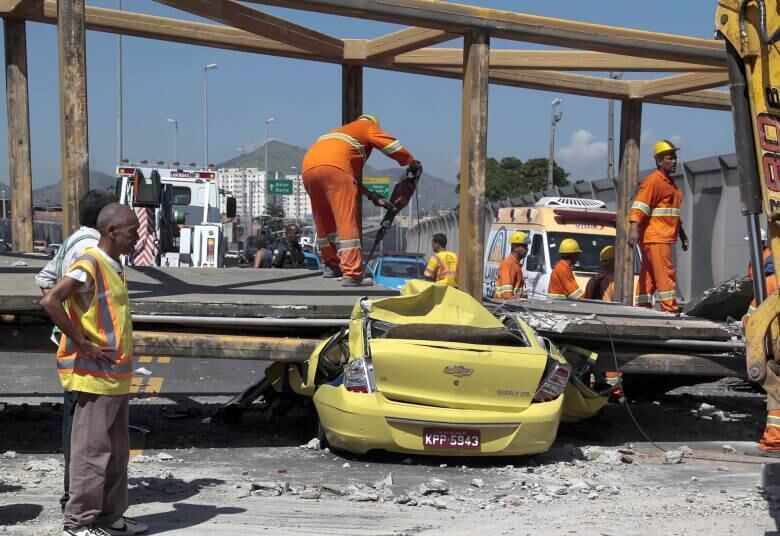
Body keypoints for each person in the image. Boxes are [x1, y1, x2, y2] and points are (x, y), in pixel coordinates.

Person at [40, 204, 147, 536]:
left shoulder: (114, 265)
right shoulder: (90, 262)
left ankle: (111, 517)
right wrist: (82, 342)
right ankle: (79, 523)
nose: (137, 239)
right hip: (93, 375)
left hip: (115, 377)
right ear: (111, 231)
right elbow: (50, 300)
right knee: (91, 454)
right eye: (132, 233)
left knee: (117, 454)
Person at [34, 189, 117, 513]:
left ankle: (76, 493)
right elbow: (51, 296)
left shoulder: (72, 241)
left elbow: (45, 278)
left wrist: (66, 321)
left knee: (76, 423)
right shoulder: (89, 250)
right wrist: (77, 329)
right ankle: (78, 500)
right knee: (86, 432)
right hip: (85, 352)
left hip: (75, 346)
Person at [302, 114, 421, 287]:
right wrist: (409, 162)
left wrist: (373, 196)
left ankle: (331, 264)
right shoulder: (366, 126)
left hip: (308, 170)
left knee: (323, 221)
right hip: (335, 170)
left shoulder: (339, 135)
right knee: (346, 221)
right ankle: (352, 274)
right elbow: (391, 145)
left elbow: (347, 180)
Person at [628, 140, 688, 314]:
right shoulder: (653, 181)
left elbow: (672, 213)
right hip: (657, 237)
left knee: (650, 276)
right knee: (665, 274)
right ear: (659, 161)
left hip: (656, 237)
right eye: (670, 158)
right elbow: (640, 206)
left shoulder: (669, 184)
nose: (675, 161)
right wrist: (634, 227)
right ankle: (670, 310)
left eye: (675, 158)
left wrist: (682, 233)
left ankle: (642, 308)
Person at [494, 230, 528, 300]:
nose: (527, 249)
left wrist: (521, 295)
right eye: (524, 246)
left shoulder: (515, 264)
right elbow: (506, 294)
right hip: (505, 308)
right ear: (515, 247)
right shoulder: (508, 264)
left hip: (512, 307)